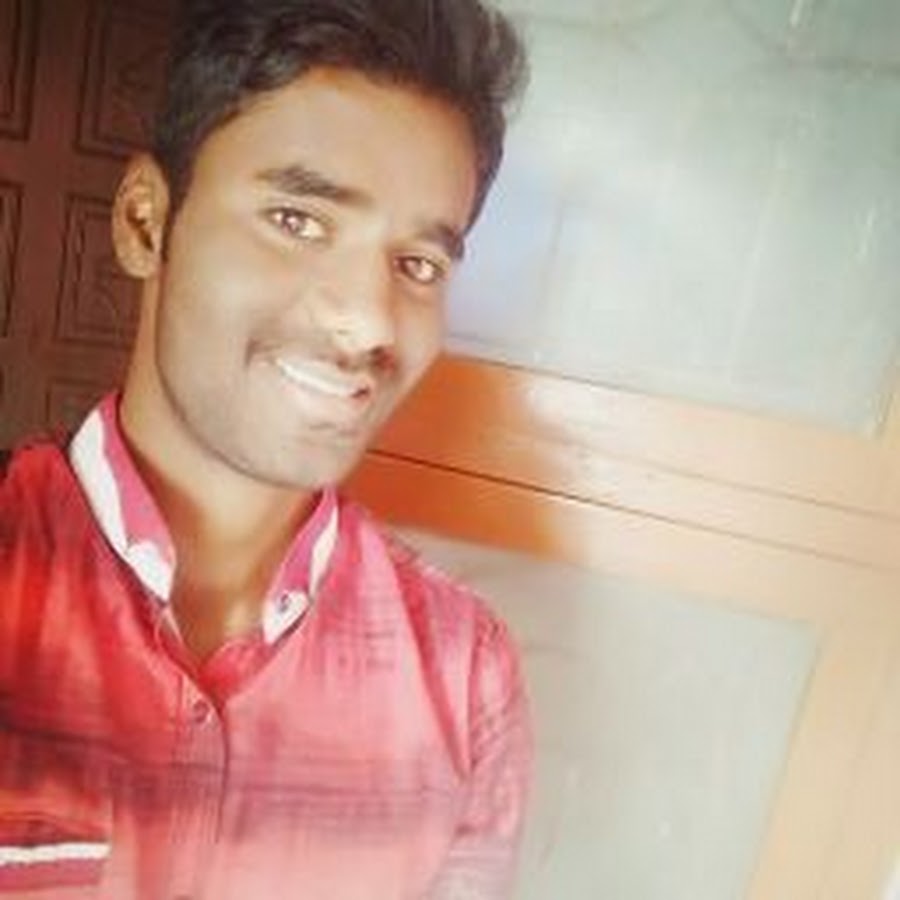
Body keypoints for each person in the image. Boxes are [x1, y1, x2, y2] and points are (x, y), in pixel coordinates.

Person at [0, 1, 530, 898]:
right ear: (145, 223)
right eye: (297, 220)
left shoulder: (464, 677)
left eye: (418, 264)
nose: (366, 321)